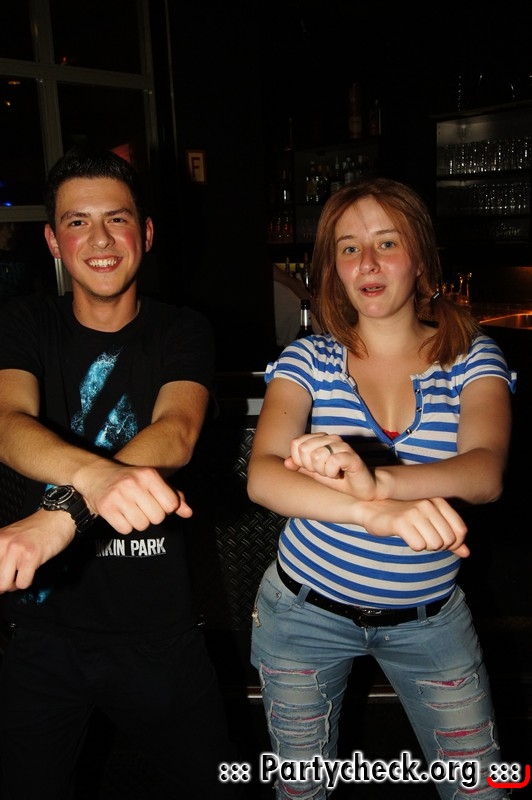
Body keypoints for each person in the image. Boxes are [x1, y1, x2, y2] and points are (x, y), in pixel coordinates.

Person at [247, 178, 516, 800]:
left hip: (429, 619)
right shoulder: (309, 359)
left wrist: (379, 482)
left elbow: (485, 472)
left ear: (420, 257)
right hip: (303, 613)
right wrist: (374, 512)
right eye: (348, 248)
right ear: (334, 268)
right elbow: (263, 475)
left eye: (386, 242)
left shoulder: (472, 356)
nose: (366, 262)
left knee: (480, 790)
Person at [0, 145, 238, 799]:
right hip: (42, 632)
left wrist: (62, 514)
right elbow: (8, 422)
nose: (100, 239)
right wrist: (97, 482)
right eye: (77, 222)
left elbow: (177, 433)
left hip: (158, 634)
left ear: (147, 233)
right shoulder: (25, 322)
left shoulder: (183, 330)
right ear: (53, 241)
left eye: (117, 219)